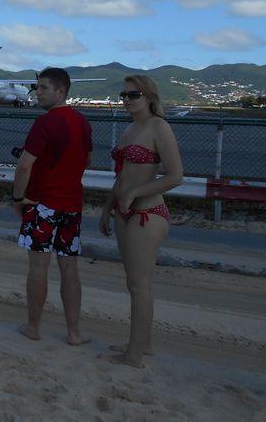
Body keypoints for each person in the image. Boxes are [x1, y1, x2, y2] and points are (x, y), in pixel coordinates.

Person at [100, 75, 183, 368]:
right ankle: (141, 343)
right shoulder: (130, 128)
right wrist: (108, 207)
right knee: (133, 281)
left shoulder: (159, 127)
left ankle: (133, 355)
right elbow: (122, 174)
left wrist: (135, 193)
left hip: (147, 213)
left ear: (148, 96)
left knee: (139, 284)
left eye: (132, 95)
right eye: (123, 95)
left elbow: (175, 176)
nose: (126, 100)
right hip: (124, 211)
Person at [12, 68, 92, 345]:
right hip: (71, 204)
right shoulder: (82, 122)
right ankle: (74, 332)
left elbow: (24, 166)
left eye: (43, 87)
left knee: (39, 266)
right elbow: (87, 160)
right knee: (69, 267)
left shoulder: (45, 123)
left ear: (60, 91)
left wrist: (18, 198)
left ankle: (34, 326)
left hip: (42, 203)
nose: (38, 92)